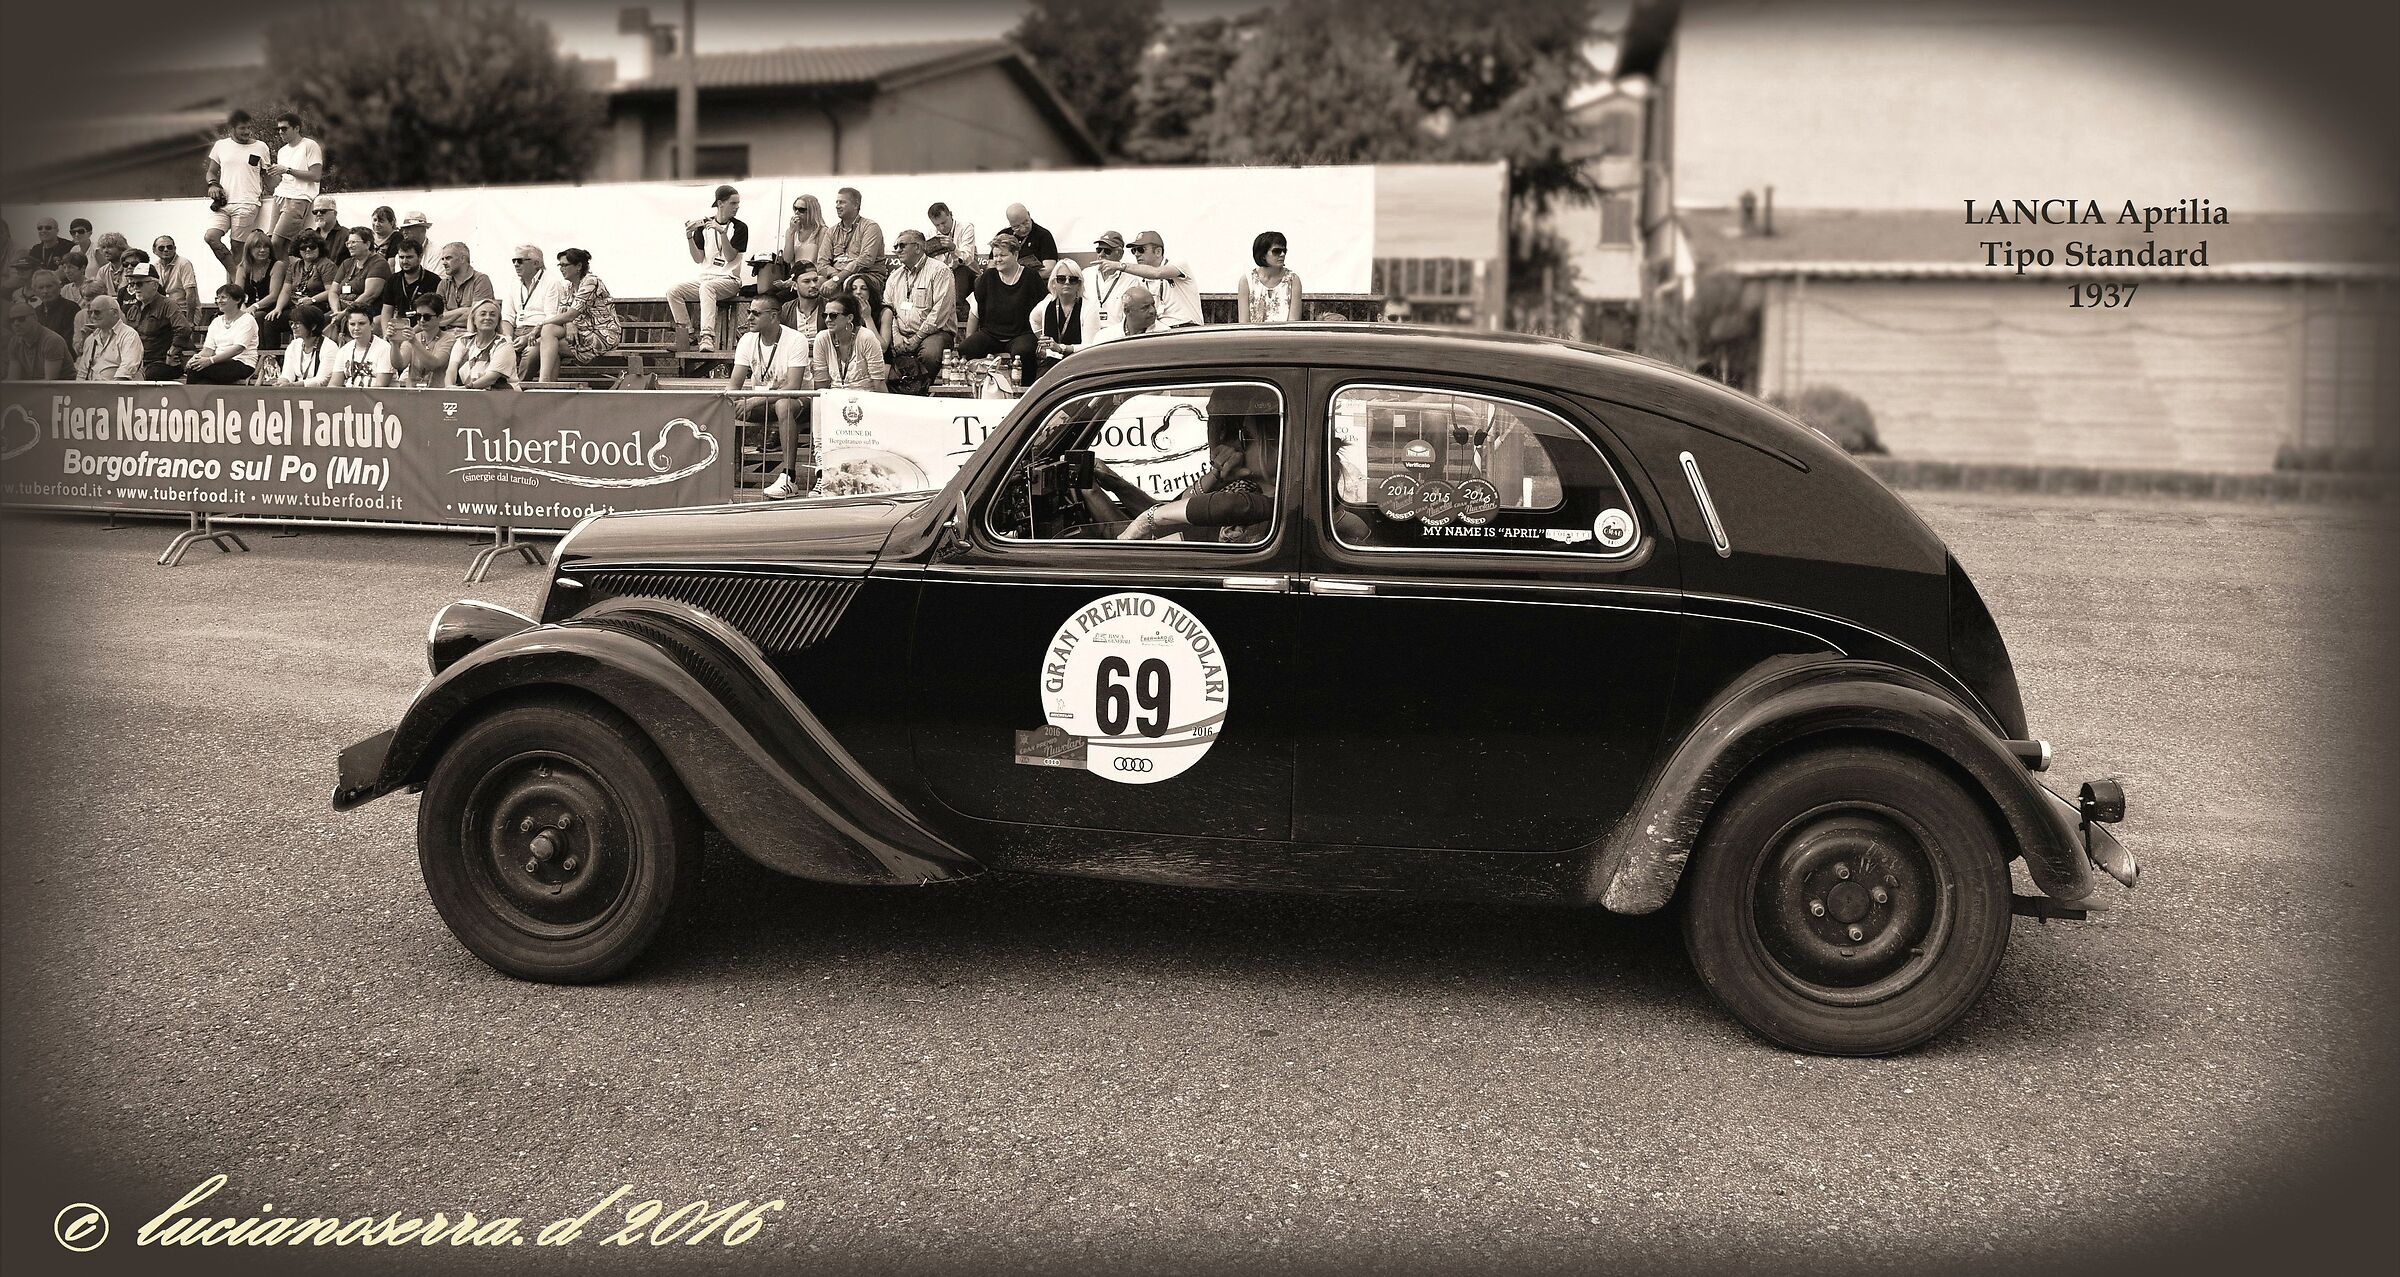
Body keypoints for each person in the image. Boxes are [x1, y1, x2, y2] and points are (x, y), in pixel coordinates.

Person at [1108, 403, 1279, 543]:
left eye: (1245, 436)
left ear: (1276, 445)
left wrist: (1149, 518)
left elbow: (1230, 505)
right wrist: (1215, 477)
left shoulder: (1276, 502)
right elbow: (1175, 517)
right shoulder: (1248, 487)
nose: (1236, 444)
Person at [728, 296, 810, 499]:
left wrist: (755, 399)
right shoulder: (747, 339)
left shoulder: (795, 339)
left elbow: (793, 386)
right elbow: (733, 385)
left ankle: (788, 477)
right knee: (724, 405)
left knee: (783, 404)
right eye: (748, 312)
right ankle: (717, 472)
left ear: (773, 316)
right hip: (765, 403)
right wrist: (732, 400)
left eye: (756, 313)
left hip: (798, 402)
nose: (749, 317)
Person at [957, 233, 1046, 388]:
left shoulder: (1031, 277)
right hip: (991, 334)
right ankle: (980, 388)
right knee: (966, 348)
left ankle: (1025, 391)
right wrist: (969, 338)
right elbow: (974, 312)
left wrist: (1041, 337)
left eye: (1003, 255)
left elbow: (1044, 309)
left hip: (1021, 334)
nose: (998, 259)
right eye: (995, 255)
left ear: (1015, 254)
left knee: (1023, 352)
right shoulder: (987, 278)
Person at [668, 184, 746, 351]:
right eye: (733, 203)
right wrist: (689, 237)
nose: (737, 207)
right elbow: (698, 258)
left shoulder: (740, 227)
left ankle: (707, 337)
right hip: (706, 280)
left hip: (729, 280)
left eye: (738, 203)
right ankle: (687, 336)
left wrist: (722, 233)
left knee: (707, 287)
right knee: (674, 291)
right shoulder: (703, 227)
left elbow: (731, 257)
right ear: (720, 203)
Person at [882, 229, 956, 394]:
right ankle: (900, 395)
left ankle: (918, 395)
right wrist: (896, 336)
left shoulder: (940, 270)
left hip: (934, 333)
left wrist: (916, 338)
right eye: (895, 246)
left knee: (930, 353)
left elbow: (939, 313)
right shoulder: (894, 277)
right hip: (901, 335)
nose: (897, 250)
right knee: (878, 346)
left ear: (918, 247)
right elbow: (888, 310)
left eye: (902, 245)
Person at [533, 247, 622, 382]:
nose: (561, 268)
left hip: (602, 334)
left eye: (565, 265)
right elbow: (563, 314)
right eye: (560, 265)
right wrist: (569, 324)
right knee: (549, 333)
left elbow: (570, 314)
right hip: (581, 333)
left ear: (579, 266)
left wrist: (540, 324)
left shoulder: (591, 281)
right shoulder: (568, 287)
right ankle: (547, 385)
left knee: (548, 340)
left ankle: (545, 384)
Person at [202, 110, 272, 266]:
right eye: (242, 128)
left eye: (248, 127)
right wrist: (213, 184)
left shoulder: (261, 147)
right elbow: (211, 172)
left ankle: (238, 286)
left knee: (237, 247)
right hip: (223, 202)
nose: (247, 131)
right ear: (231, 129)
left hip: (247, 202)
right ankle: (236, 279)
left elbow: (268, 175)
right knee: (211, 237)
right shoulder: (221, 145)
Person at [1096, 230, 1204, 328]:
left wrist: (1119, 266)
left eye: (1141, 249)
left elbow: (1156, 273)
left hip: (1187, 328)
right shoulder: (1139, 278)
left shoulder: (1179, 263)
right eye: (1134, 251)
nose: (1137, 254)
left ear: (1158, 252)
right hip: (1161, 332)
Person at [263, 112, 325, 255]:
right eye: (278, 129)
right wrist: (267, 172)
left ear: (296, 128)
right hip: (279, 197)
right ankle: (281, 276)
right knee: (272, 240)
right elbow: (277, 182)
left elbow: (316, 175)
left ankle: (281, 276)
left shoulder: (309, 145)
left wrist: (287, 170)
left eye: (284, 128)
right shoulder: (282, 151)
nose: (280, 132)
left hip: (298, 198)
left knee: (277, 242)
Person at [500, 243, 568, 363]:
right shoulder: (513, 284)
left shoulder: (551, 282)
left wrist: (527, 338)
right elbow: (507, 317)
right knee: (500, 352)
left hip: (539, 332)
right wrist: (508, 340)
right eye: (514, 261)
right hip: (516, 332)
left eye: (520, 261)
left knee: (530, 354)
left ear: (536, 263)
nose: (516, 264)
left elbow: (551, 318)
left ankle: (518, 382)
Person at [121, 265, 192, 379]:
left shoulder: (168, 305)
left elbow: (184, 329)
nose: (136, 288)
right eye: (132, 284)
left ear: (154, 285)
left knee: (143, 376)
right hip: (137, 362)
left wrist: (172, 352)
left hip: (161, 363)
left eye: (140, 284)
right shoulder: (133, 309)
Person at [812, 292, 887, 395]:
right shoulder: (822, 338)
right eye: (825, 315)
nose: (827, 320)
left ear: (849, 318)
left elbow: (879, 382)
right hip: (835, 400)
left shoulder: (866, 337)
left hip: (865, 399)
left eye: (833, 315)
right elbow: (820, 384)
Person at [184, 285, 260, 384]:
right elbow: (208, 350)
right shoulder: (216, 321)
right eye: (218, 298)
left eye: (223, 297)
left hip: (242, 363)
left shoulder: (247, 320)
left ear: (237, 300)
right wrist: (196, 358)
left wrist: (210, 361)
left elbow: (238, 349)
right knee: (196, 368)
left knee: (197, 370)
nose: (219, 301)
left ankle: (192, 399)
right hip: (218, 362)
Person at [1028, 259, 1087, 380]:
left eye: (1073, 279)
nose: (1067, 283)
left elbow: (1090, 346)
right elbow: (1033, 319)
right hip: (1051, 361)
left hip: (1079, 361)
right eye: (1061, 279)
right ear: (1054, 282)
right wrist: (1042, 337)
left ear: (1079, 284)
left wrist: (1061, 348)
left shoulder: (1088, 306)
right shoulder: (1046, 304)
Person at [232, 231, 292, 349]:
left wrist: (254, 307)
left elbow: (274, 295)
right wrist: (243, 309)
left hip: (272, 307)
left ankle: (267, 357)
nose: (263, 250)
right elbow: (237, 293)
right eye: (258, 247)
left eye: (266, 247)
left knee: (260, 317)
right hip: (250, 307)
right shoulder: (243, 267)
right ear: (249, 249)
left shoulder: (277, 265)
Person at [925, 201, 979, 325]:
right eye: (937, 225)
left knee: (961, 270)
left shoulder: (966, 228)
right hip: (944, 274)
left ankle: (957, 310)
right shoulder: (930, 234)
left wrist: (953, 248)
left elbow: (968, 258)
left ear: (950, 214)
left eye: (944, 223)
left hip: (967, 273)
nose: (941, 228)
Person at [824, 186, 887, 290]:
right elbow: (822, 263)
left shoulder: (870, 227)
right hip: (837, 277)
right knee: (815, 285)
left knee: (852, 284)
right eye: (837, 202)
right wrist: (836, 276)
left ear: (855, 205)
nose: (837, 206)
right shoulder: (831, 231)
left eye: (842, 202)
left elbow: (866, 259)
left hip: (867, 276)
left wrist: (840, 278)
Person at [442, 299, 514, 389]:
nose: (488, 317)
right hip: (471, 396)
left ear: (498, 321)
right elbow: (451, 369)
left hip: (501, 397)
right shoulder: (463, 341)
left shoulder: (505, 343)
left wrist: (465, 389)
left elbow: (491, 379)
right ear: (474, 320)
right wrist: (449, 387)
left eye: (492, 315)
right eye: (483, 314)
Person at [328, 228, 390, 328]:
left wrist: (344, 313)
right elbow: (333, 291)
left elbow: (369, 296)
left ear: (367, 244)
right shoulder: (347, 263)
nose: (349, 246)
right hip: (341, 310)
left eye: (353, 242)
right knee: (314, 320)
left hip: (364, 312)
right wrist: (336, 312)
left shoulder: (379, 263)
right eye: (348, 243)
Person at [75, 293, 143, 381]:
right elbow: (82, 373)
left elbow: (126, 372)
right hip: (92, 391)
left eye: (97, 312)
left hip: (121, 392)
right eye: (90, 312)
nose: (92, 316)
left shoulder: (129, 335)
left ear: (114, 313)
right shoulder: (91, 339)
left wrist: (108, 391)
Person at [1239, 231, 1303, 324]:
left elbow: (1293, 323)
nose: (1282, 254)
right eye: (1276, 251)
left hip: (1285, 337)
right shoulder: (1247, 281)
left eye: (1284, 251)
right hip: (1253, 337)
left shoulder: (1293, 280)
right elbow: (1243, 323)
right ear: (1263, 255)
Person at [380, 239, 441, 330]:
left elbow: (434, 315)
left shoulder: (433, 280)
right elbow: (387, 311)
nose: (404, 261)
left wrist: (411, 333)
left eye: (409, 257)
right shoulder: (393, 280)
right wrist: (386, 333)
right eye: (401, 257)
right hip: (400, 328)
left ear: (420, 257)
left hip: (424, 329)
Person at [389, 295, 449, 385]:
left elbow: (434, 364)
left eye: (427, 317)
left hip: (437, 393)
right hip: (413, 393)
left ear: (440, 318)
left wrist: (414, 342)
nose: (421, 320)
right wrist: (394, 344)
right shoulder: (413, 338)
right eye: (418, 316)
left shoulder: (448, 338)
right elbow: (399, 365)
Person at [1083, 230, 1131, 343]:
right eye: (1099, 250)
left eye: (1107, 251)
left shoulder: (1131, 280)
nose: (1101, 254)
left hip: (1115, 338)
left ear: (1120, 254)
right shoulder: (1086, 274)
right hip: (1088, 338)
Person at [332, 306, 397, 388]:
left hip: (377, 399)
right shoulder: (344, 350)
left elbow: (381, 386)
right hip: (348, 398)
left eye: (361, 323)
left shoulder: (384, 348)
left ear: (372, 326)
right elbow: (334, 385)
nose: (356, 328)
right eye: (352, 324)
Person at [4, 301, 71, 379]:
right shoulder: (14, 342)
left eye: (21, 319)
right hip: (35, 388)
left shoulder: (51, 341)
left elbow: (50, 383)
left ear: (35, 318)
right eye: (12, 320)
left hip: (64, 389)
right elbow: (13, 379)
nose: (16, 323)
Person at [283, 233, 338, 315]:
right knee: (273, 320)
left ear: (319, 248)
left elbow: (331, 290)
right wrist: (278, 308)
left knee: (301, 315)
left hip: (317, 305)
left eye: (312, 246)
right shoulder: (294, 266)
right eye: (303, 248)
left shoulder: (327, 265)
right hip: (297, 305)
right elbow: (285, 291)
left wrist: (312, 300)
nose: (308, 249)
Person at [152, 236, 201, 325]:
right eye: (161, 248)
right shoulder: (155, 266)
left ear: (174, 249)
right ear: (154, 250)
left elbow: (191, 294)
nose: (166, 250)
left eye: (169, 247)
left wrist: (189, 321)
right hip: (165, 312)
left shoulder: (183, 263)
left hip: (183, 311)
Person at [783, 193, 832, 274]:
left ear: (812, 211)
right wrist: (791, 233)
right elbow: (787, 259)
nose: (797, 212)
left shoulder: (822, 231)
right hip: (796, 277)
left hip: (814, 276)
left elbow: (822, 261)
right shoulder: (792, 231)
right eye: (795, 208)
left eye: (801, 210)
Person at [1002, 203, 1058, 274]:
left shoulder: (1043, 235)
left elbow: (1049, 269)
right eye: (1016, 227)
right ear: (1010, 223)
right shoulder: (1003, 236)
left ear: (1028, 214)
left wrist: (1023, 278)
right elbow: (992, 265)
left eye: (1025, 223)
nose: (1023, 229)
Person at [28, 270, 76, 341]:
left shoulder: (71, 308)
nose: (45, 291)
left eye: (49, 286)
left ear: (59, 287)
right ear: (35, 291)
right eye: (41, 288)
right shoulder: (35, 313)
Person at [305, 197, 349, 264]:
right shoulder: (309, 236)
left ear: (335, 213)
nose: (318, 214)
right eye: (315, 212)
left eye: (323, 211)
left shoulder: (347, 235)